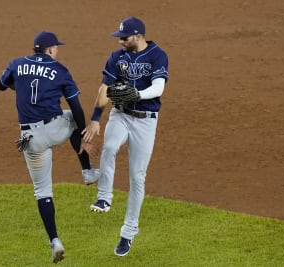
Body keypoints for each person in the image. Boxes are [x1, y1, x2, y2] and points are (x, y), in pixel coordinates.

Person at [0, 31, 100, 263]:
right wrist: (85, 138)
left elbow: (1, 85)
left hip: (29, 139)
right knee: (73, 117)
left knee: (42, 191)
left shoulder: (17, 63)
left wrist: (18, 85)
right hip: (54, 129)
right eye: (56, 48)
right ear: (51, 49)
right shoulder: (59, 70)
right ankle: (87, 171)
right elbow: (77, 107)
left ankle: (55, 241)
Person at [82, 17, 169, 256]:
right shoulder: (116, 57)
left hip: (146, 120)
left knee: (137, 178)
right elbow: (104, 89)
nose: (120, 41)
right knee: (109, 147)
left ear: (138, 36)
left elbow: (158, 87)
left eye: (124, 37)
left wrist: (136, 94)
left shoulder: (157, 55)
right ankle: (104, 197)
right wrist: (96, 119)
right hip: (120, 115)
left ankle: (128, 232)